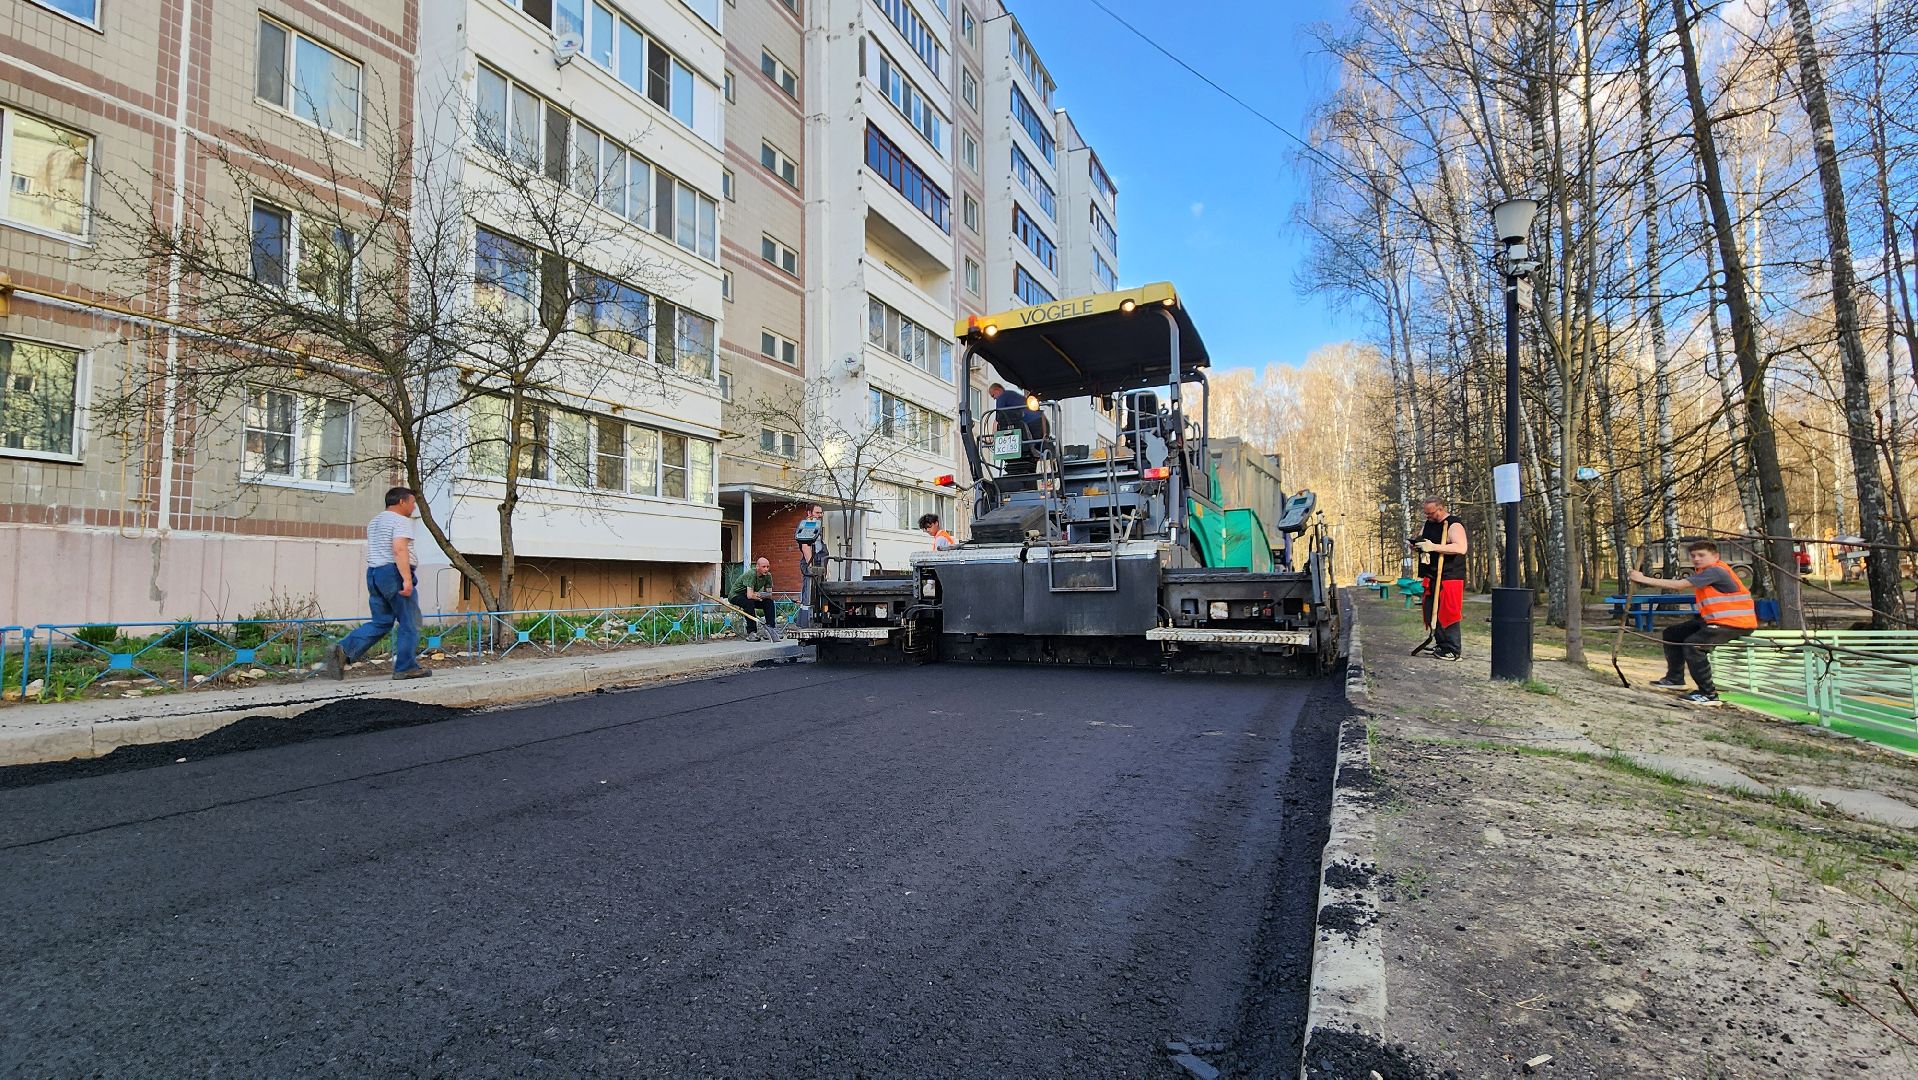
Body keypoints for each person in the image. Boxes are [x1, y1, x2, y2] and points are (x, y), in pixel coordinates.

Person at [1629, 540, 1759, 706]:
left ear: (1716, 556)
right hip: (1715, 621)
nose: (1696, 559)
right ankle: (1675, 679)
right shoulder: (1704, 571)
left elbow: (1679, 585)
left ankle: (1708, 694)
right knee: (1672, 633)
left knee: (1694, 645)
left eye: (1701, 555)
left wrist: (1643, 579)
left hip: (1735, 624)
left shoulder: (1716, 571)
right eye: (1693, 556)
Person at [326, 486, 430, 680]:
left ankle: (344, 649)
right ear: (401, 502)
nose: (414, 507)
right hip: (394, 573)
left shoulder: (375, 521)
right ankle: (406, 667)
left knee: (381, 622)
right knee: (410, 622)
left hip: (374, 574)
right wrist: (407, 580)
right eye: (412, 503)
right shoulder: (400, 520)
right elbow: (399, 549)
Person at [1411, 496, 1467, 661]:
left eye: (1430, 513)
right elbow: (1423, 541)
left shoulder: (1453, 524)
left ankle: (1453, 649)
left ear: (1441, 509)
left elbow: (1461, 547)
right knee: (1431, 610)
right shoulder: (1428, 524)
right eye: (1426, 513)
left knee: (1448, 612)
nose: (1427, 516)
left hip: (1450, 575)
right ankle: (1441, 643)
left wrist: (1433, 547)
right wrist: (1417, 545)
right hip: (1432, 574)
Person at [729, 556, 779, 640]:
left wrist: (759, 595)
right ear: (757, 567)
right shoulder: (751, 574)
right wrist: (758, 596)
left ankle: (770, 630)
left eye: (768, 567)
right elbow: (750, 595)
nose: (766, 569)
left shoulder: (768, 576)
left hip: (751, 596)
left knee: (768, 602)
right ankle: (751, 633)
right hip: (736, 595)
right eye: (764, 567)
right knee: (749, 603)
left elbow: (769, 594)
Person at [794, 504, 826, 606]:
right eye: (817, 512)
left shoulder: (817, 526)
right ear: (809, 513)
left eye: (821, 513)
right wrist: (811, 566)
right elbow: (805, 546)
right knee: (809, 595)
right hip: (812, 564)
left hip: (820, 563)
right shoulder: (808, 525)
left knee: (820, 594)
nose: (820, 515)